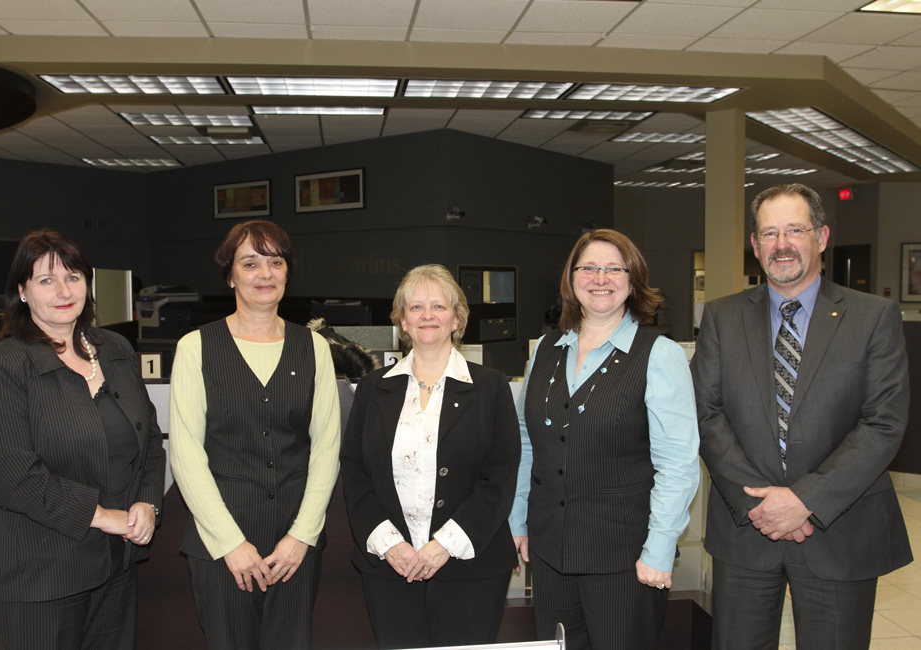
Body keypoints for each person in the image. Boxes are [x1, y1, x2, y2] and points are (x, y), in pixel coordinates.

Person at [692, 183, 912, 650]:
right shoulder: (722, 318)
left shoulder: (873, 317)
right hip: (747, 530)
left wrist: (805, 499)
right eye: (769, 233)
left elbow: (883, 423)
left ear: (822, 237)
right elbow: (707, 416)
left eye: (795, 230)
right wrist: (762, 506)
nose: (782, 244)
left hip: (840, 530)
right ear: (755, 245)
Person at [0, 229, 166, 650]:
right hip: (38, 573)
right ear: (22, 291)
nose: (63, 291)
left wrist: (147, 504)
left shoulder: (115, 349)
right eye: (46, 280)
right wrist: (104, 516)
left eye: (73, 277)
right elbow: (12, 477)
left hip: (115, 566)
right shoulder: (2, 367)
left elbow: (149, 441)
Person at [508, 229, 700, 650]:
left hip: (625, 558)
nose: (601, 278)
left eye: (615, 269)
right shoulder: (545, 349)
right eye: (589, 268)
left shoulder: (659, 354)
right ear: (571, 278)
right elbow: (526, 440)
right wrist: (518, 518)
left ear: (633, 280)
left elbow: (678, 464)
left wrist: (660, 548)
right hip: (550, 550)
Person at [169, 220, 340, 650]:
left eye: (275, 262)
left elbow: (326, 448)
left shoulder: (314, 347)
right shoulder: (195, 347)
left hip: (295, 542)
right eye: (250, 263)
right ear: (230, 276)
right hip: (220, 541)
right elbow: (186, 454)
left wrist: (302, 536)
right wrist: (230, 543)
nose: (265, 273)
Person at [341, 264, 520, 649]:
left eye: (439, 306)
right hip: (391, 567)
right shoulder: (373, 388)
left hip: (470, 567)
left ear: (457, 319)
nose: (427, 315)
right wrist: (390, 545)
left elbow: (500, 477)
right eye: (416, 307)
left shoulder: (490, 386)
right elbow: (355, 473)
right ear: (402, 321)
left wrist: (444, 545)